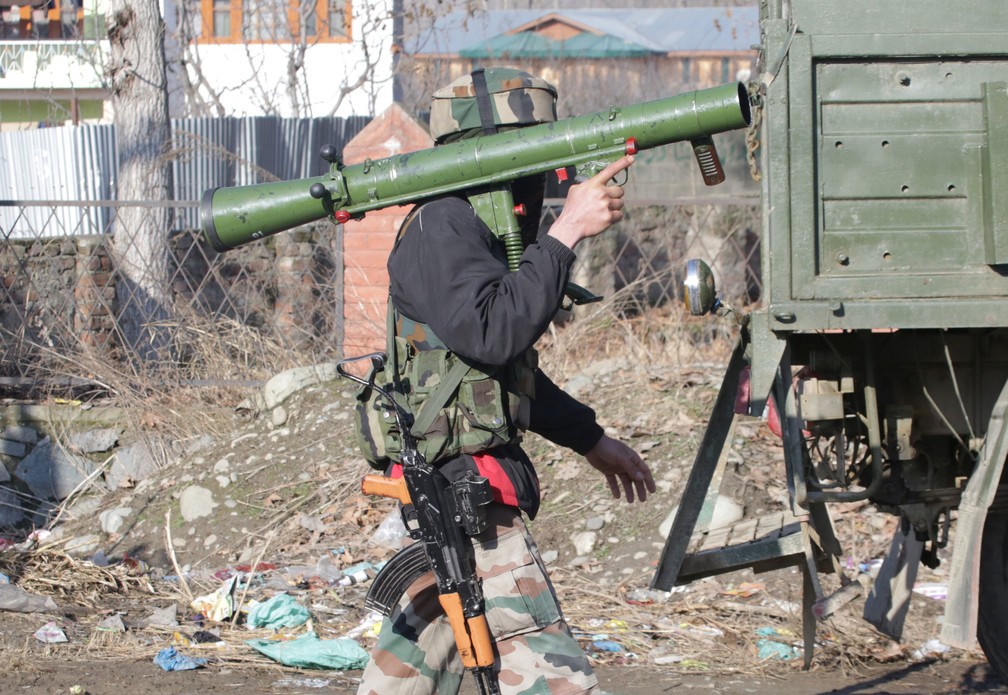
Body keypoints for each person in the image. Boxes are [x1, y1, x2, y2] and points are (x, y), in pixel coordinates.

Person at [356, 68, 656, 695]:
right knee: (551, 673)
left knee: (411, 665)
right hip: (466, 493)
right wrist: (566, 232)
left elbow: (492, 373)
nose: (540, 176)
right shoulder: (445, 223)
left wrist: (591, 439)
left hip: (464, 485)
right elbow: (492, 333)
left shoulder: (472, 224)